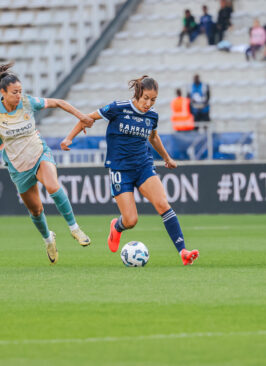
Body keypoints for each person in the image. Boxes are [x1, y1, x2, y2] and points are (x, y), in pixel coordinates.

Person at [61, 76, 199, 266]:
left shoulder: (152, 116)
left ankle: (183, 251)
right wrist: (69, 138)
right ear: (137, 94)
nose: (149, 103)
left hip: (143, 165)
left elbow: (153, 137)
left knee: (163, 204)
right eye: (146, 98)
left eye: (153, 100)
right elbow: (88, 118)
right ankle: (117, 227)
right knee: (131, 220)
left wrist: (167, 158)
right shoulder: (118, 108)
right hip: (120, 169)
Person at [0, 62, 92, 265]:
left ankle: (75, 229)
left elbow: (58, 102)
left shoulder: (27, 102)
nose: (18, 96)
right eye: (14, 92)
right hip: (18, 167)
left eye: (20, 91)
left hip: (39, 154)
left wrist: (82, 116)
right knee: (36, 210)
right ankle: (48, 240)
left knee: (53, 186)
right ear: (3, 93)